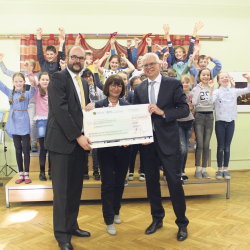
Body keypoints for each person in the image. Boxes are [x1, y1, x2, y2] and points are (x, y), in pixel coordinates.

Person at [133, 53, 190, 241]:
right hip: (147, 144)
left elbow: (184, 109)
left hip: (169, 142)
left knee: (174, 182)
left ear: (159, 65)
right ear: (142, 67)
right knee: (151, 184)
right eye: (145, 65)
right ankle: (157, 218)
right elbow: (136, 115)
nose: (148, 67)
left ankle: (182, 223)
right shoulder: (139, 88)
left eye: (151, 64)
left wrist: (163, 112)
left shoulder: (172, 83)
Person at [44, 45, 94, 250]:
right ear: (68, 58)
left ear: (84, 61)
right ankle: (62, 235)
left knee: (75, 190)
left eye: (81, 58)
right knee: (62, 192)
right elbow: (61, 110)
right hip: (62, 143)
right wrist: (77, 136)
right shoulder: (57, 78)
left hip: (79, 145)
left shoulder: (83, 81)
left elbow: (82, 110)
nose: (77, 61)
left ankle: (72, 225)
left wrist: (90, 108)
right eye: (74, 57)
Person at [93, 74, 131, 236]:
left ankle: (116, 211)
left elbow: (132, 126)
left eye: (119, 86)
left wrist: (130, 138)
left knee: (120, 182)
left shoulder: (128, 105)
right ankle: (108, 219)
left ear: (122, 89)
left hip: (124, 150)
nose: (116, 88)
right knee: (107, 183)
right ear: (107, 86)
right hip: (105, 151)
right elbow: (93, 126)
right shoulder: (98, 105)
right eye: (113, 85)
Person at [210, 72, 250, 180]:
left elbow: (248, 89)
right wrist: (211, 89)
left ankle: (226, 170)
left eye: (226, 77)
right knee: (220, 147)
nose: (224, 79)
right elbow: (211, 101)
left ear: (229, 79)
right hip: (220, 123)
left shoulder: (234, 91)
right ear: (218, 81)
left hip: (231, 122)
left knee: (227, 147)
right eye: (222, 78)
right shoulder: (216, 91)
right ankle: (219, 170)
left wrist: (248, 78)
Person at [0, 73, 36, 184]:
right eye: (16, 81)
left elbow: (34, 91)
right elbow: (1, 86)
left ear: (24, 82)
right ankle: (20, 173)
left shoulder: (27, 93)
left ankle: (27, 174)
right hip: (14, 124)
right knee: (17, 149)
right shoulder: (9, 93)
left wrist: (33, 82)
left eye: (20, 81)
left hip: (24, 124)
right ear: (12, 82)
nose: (18, 83)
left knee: (26, 149)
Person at [0, 54, 39, 151]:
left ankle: (33, 143)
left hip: (31, 102)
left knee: (32, 123)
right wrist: (0, 60)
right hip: (20, 103)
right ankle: (21, 142)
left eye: (28, 65)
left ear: (32, 67)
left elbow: (36, 90)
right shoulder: (18, 75)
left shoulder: (35, 77)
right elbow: (5, 71)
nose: (25, 66)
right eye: (25, 64)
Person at [82, 68, 105, 180]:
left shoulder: (98, 89)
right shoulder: (80, 89)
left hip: (97, 122)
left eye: (90, 75)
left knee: (95, 147)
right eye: (85, 76)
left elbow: (103, 102)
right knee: (85, 146)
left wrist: (94, 106)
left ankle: (96, 170)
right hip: (84, 122)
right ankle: (85, 170)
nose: (88, 78)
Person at [28, 69, 51, 181]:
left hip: (52, 122)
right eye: (43, 79)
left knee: (52, 148)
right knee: (43, 148)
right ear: (40, 81)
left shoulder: (53, 91)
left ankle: (51, 170)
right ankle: (42, 172)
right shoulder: (37, 90)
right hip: (41, 122)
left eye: (47, 79)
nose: (45, 81)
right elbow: (31, 78)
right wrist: (28, 70)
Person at [192, 68, 214, 179]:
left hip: (210, 116)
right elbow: (194, 102)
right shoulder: (197, 88)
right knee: (199, 144)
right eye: (203, 75)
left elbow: (211, 102)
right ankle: (197, 170)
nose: (206, 77)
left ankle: (204, 169)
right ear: (200, 76)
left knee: (206, 144)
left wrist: (211, 88)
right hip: (199, 116)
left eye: (208, 75)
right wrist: (199, 89)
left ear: (210, 76)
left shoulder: (213, 87)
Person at [178, 74, 195, 181]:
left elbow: (195, 107)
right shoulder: (177, 94)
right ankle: (178, 171)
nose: (185, 84)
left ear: (190, 83)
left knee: (186, 149)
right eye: (182, 82)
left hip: (189, 123)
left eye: (187, 82)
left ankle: (182, 171)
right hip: (178, 123)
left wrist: (192, 108)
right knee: (182, 149)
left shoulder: (193, 94)